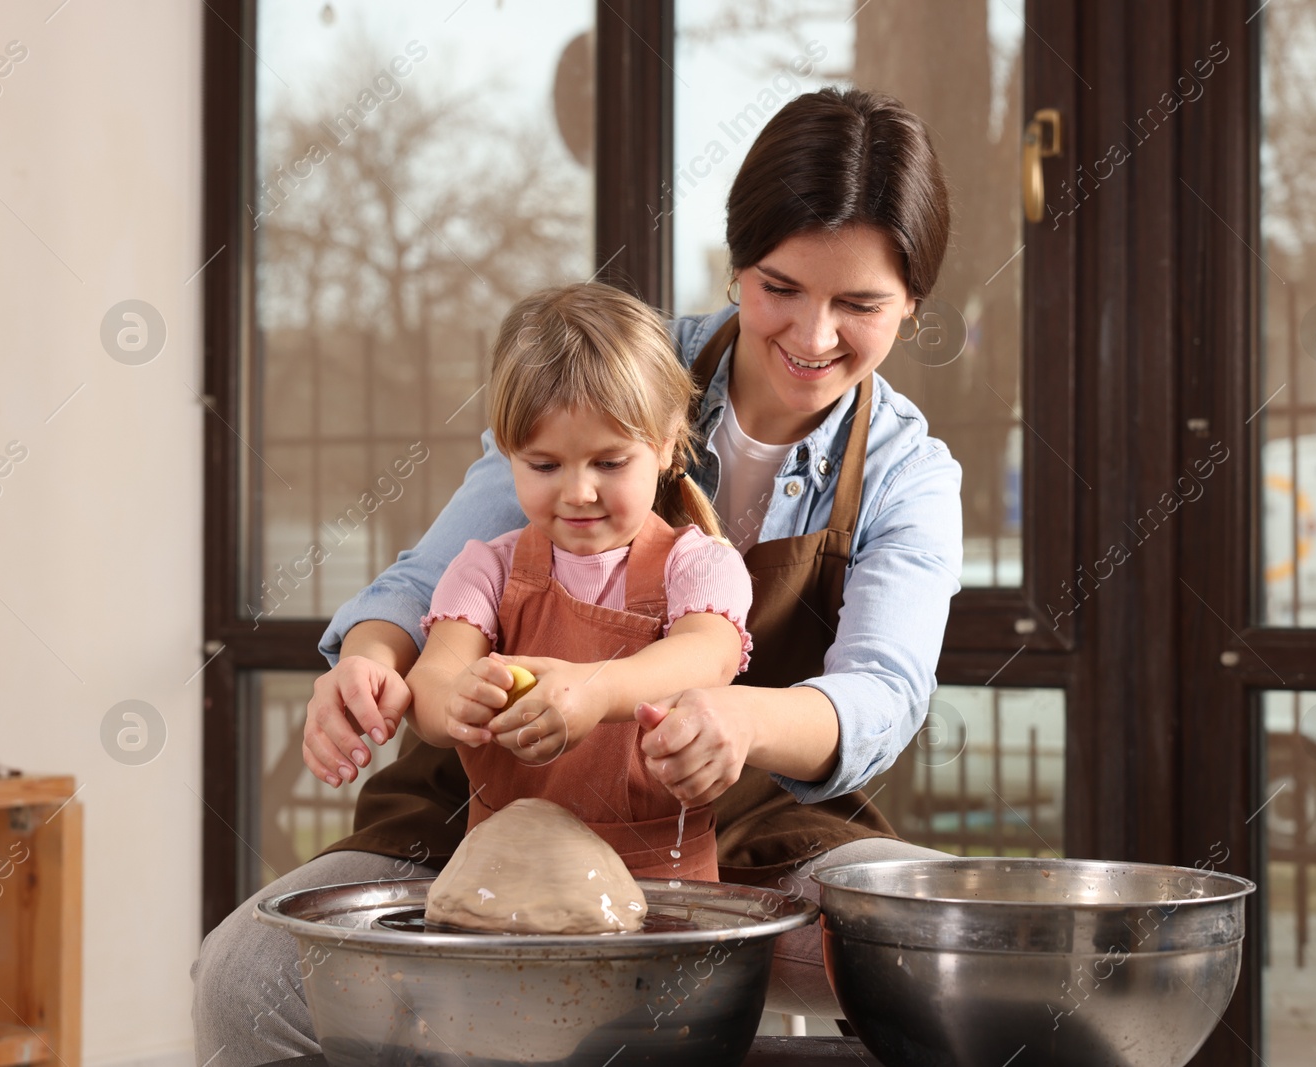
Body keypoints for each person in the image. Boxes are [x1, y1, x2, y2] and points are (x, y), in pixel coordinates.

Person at [192, 86, 963, 1064]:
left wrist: (731, 720)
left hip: (751, 818)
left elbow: (880, 695)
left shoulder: (907, 472)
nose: (812, 336)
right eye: (779, 287)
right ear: (735, 266)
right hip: (487, 793)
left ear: (912, 305)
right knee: (247, 978)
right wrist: (371, 662)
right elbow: (427, 580)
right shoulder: (617, 366)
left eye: (858, 305)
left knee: (951, 949)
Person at [407, 281, 752, 883]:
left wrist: (595, 691)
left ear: (668, 445)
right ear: (508, 454)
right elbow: (432, 679)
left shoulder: (696, 564)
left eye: (609, 463)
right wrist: (454, 702)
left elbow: (707, 655)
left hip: (663, 891)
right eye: (543, 465)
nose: (577, 492)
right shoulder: (485, 569)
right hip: (505, 885)